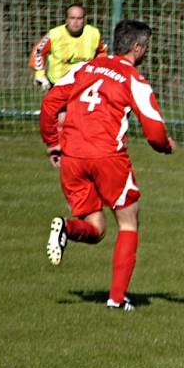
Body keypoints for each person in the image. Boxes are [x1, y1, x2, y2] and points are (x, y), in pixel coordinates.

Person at [40, 19, 175, 312]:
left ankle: (66, 227)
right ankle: (116, 299)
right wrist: (166, 146)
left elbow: (50, 104)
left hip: (72, 158)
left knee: (96, 228)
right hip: (107, 158)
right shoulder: (134, 80)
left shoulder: (84, 68)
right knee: (128, 223)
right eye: (146, 46)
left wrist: (53, 142)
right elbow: (154, 133)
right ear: (138, 48)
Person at [30, 3, 108, 92]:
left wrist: (100, 71)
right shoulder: (54, 34)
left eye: (79, 18)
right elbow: (38, 51)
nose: (75, 22)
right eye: (72, 18)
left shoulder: (94, 33)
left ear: (84, 20)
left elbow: (102, 52)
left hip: (84, 84)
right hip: (58, 84)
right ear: (66, 20)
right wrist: (39, 73)